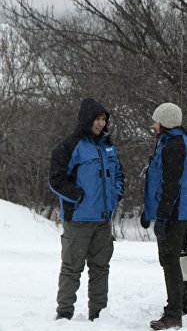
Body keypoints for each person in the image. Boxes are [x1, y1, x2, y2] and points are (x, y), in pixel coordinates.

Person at [48, 98, 124, 321]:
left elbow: (119, 175)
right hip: (78, 219)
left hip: (103, 219)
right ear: (86, 119)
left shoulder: (108, 145)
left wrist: (115, 195)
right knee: (72, 268)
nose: (101, 123)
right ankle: (64, 314)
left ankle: (98, 314)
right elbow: (55, 179)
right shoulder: (70, 146)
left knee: (101, 268)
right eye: (97, 119)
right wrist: (77, 196)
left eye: (103, 119)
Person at [140, 102, 187, 330]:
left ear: (163, 123)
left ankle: (174, 314)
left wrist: (162, 217)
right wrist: (149, 211)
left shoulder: (175, 145)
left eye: (155, 121)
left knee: (170, 263)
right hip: (176, 212)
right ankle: (181, 306)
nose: (153, 125)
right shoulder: (174, 141)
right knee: (172, 262)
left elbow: (171, 186)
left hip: (174, 214)